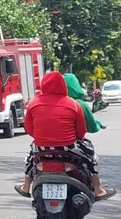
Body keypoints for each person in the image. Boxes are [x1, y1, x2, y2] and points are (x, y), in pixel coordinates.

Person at [14, 71, 115, 200]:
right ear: (63, 86)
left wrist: (43, 139)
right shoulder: (73, 104)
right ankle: (98, 189)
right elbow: (81, 131)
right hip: (69, 148)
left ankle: (26, 186)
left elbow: (28, 128)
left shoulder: (33, 103)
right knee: (90, 155)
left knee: (30, 158)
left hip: (41, 149)